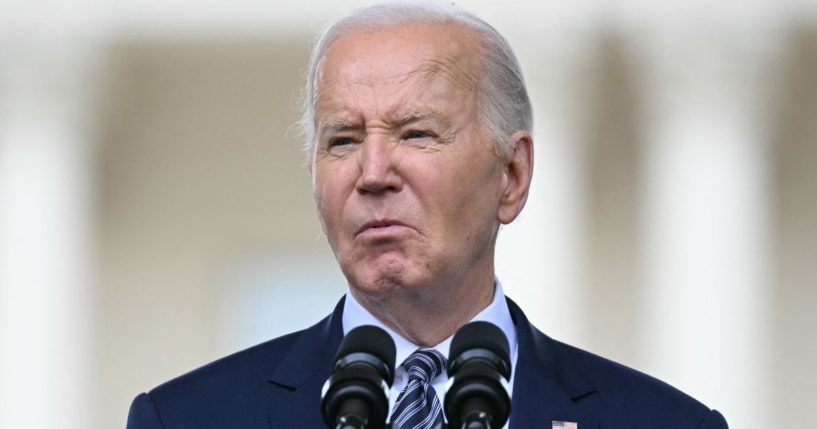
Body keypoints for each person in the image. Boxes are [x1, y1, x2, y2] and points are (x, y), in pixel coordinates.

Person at [127, 2, 728, 428]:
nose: (373, 173)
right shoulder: (185, 419)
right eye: (342, 140)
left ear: (512, 175)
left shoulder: (662, 423)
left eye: (416, 134)